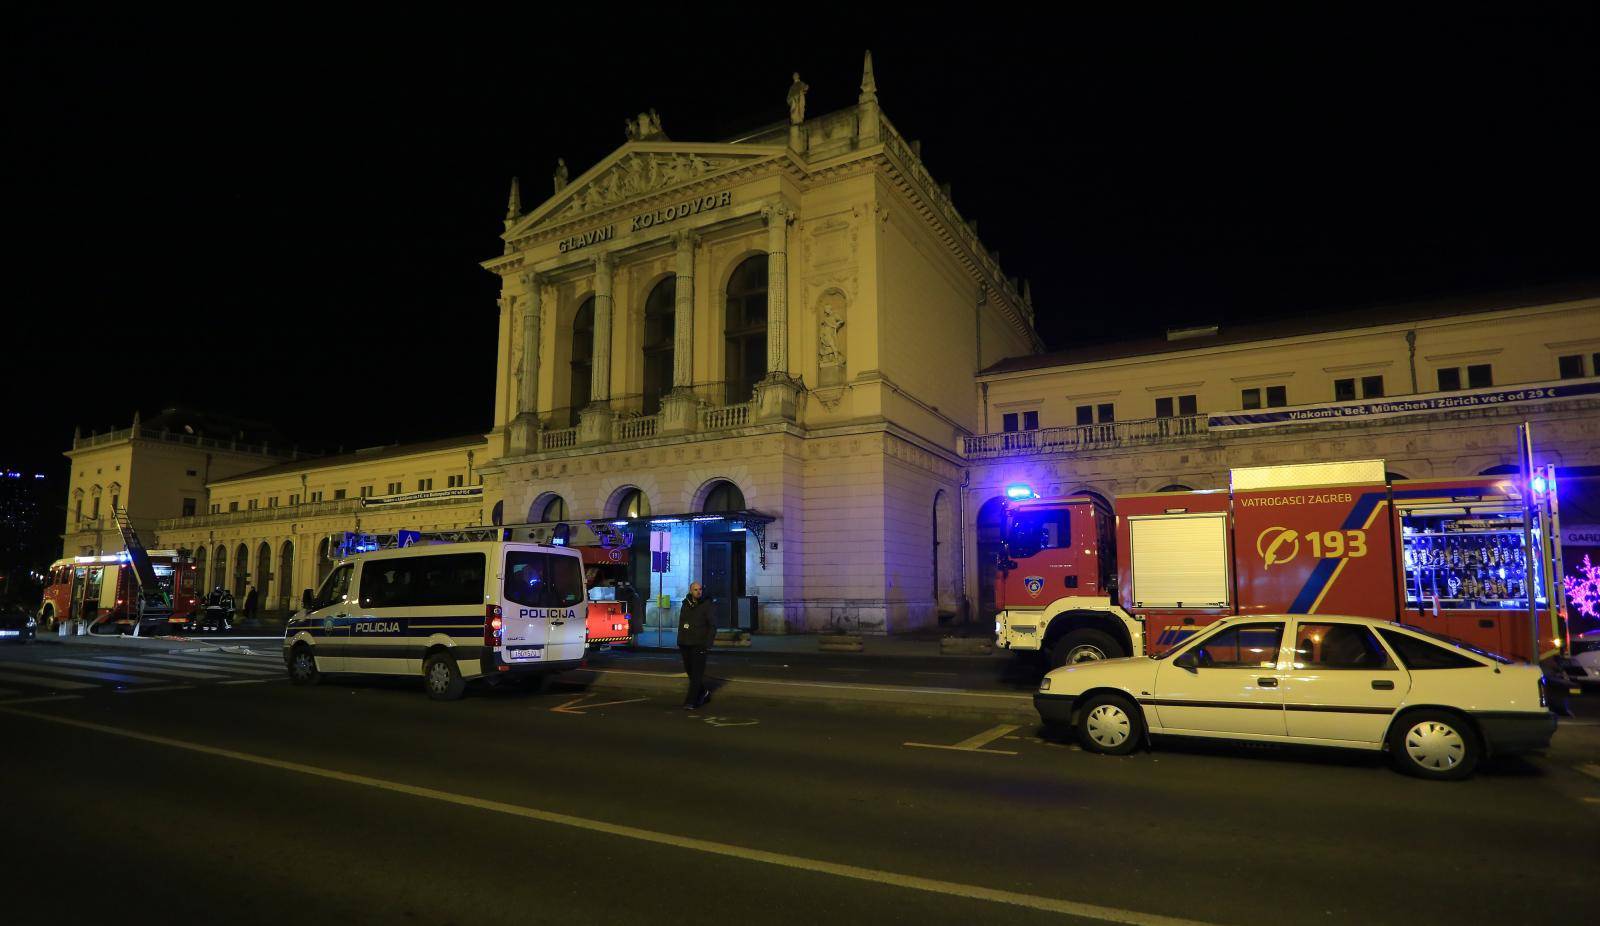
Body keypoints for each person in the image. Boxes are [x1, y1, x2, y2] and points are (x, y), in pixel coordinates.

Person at [676, 582, 716, 709]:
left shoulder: (707, 605)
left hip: (699, 644)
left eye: (700, 589)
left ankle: (691, 701)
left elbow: (712, 626)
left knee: (697, 674)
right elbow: (681, 623)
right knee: (690, 671)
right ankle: (704, 692)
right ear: (690, 591)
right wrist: (680, 640)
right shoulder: (686, 604)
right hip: (685, 643)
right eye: (695, 590)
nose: (698, 592)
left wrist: (707, 643)